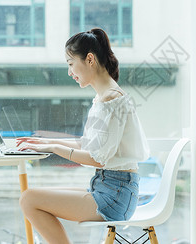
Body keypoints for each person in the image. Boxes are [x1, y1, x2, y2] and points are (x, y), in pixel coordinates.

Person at [16, 28, 150, 244]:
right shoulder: (104, 98)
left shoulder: (111, 101)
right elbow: (85, 144)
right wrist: (46, 142)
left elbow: (97, 158)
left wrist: (53, 149)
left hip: (115, 196)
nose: (69, 72)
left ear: (89, 59)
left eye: (70, 63)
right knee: (31, 196)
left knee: (29, 199)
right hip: (109, 188)